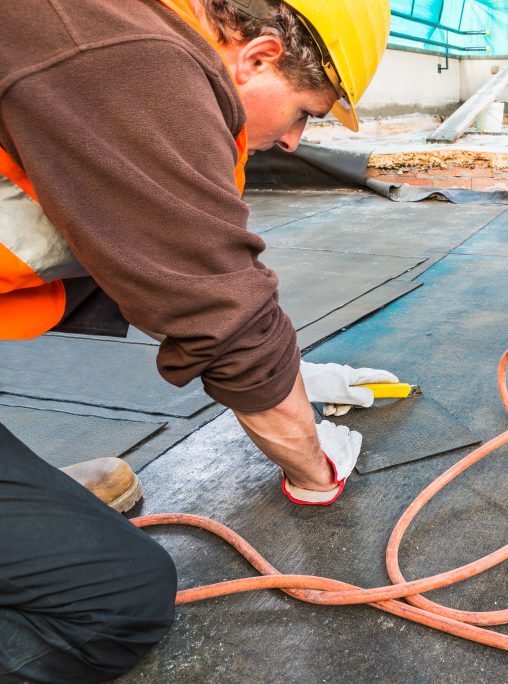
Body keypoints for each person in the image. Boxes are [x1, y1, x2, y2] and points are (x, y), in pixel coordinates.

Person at [1, 0, 391, 680]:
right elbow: (218, 311)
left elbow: (172, 261)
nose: (298, 141)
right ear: (261, 57)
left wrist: (289, 375)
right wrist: (312, 463)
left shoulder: (116, 31)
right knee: (116, 599)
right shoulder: (136, 64)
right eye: (306, 113)